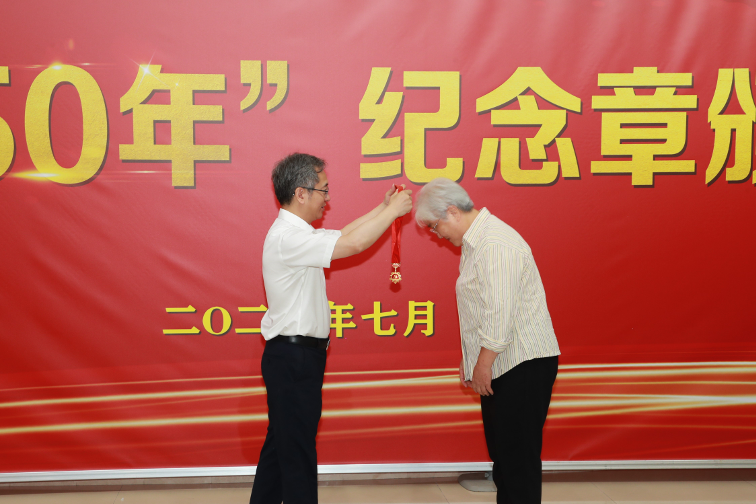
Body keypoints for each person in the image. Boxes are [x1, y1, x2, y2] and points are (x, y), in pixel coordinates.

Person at [249, 153, 412, 504]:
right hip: (293, 358)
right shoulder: (287, 238)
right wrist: (393, 212)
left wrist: (383, 208)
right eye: (323, 190)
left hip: (296, 357)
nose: (328, 198)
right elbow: (353, 244)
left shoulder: (298, 234)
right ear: (301, 193)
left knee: (281, 449)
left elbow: (345, 233)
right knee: (298, 457)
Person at [415, 178, 559, 504]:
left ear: (452, 211)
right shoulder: (476, 243)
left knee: (517, 461)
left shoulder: (495, 244)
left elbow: (499, 313)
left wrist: (482, 363)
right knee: (504, 458)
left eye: (436, 226)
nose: (437, 235)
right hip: (504, 361)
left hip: (521, 364)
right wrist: (472, 358)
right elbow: (482, 308)